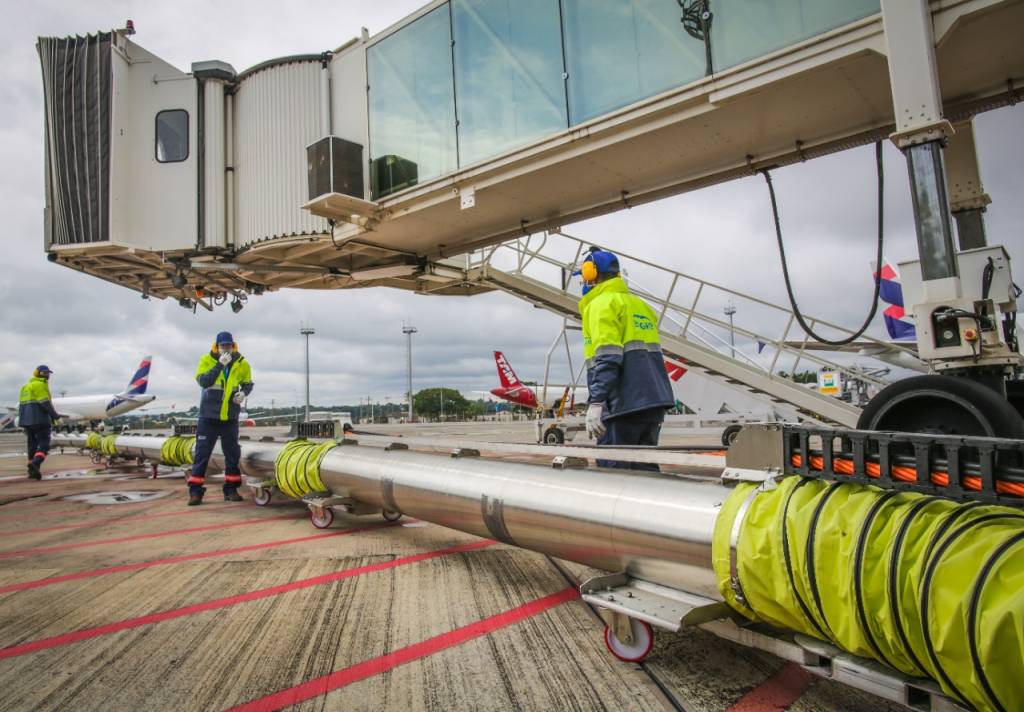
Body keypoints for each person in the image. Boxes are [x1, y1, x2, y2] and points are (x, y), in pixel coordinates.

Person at [578, 247, 674, 471]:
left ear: (591, 274)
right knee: (645, 471)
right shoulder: (641, 306)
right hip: (652, 403)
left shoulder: (600, 305)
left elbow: (608, 358)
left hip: (623, 405)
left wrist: (596, 402)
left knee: (616, 474)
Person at [188, 332, 253, 505]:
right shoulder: (206, 360)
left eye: (228, 345)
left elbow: (248, 382)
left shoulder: (242, 363)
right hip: (208, 417)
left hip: (230, 418)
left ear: (234, 346)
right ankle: (195, 492)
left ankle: (231, 490)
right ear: (216, 346)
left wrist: (243, 393)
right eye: (222, 346)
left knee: (232, 454)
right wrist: (219, 365)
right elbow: (203, 381)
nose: (226, 348)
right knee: (202, 454)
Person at [18, 365, 61, 480]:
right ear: (38, 373)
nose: (47, 375)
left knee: (32, 446)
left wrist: (22, 421)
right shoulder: (40, 385)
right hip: (39, 420)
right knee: (44, 445)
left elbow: (22, 406)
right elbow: (45, 403)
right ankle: (36, 463)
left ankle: (31, 471)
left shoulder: (25, 387)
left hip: (26, 421)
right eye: (45, 373)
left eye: (48, 373)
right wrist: (55, 416)